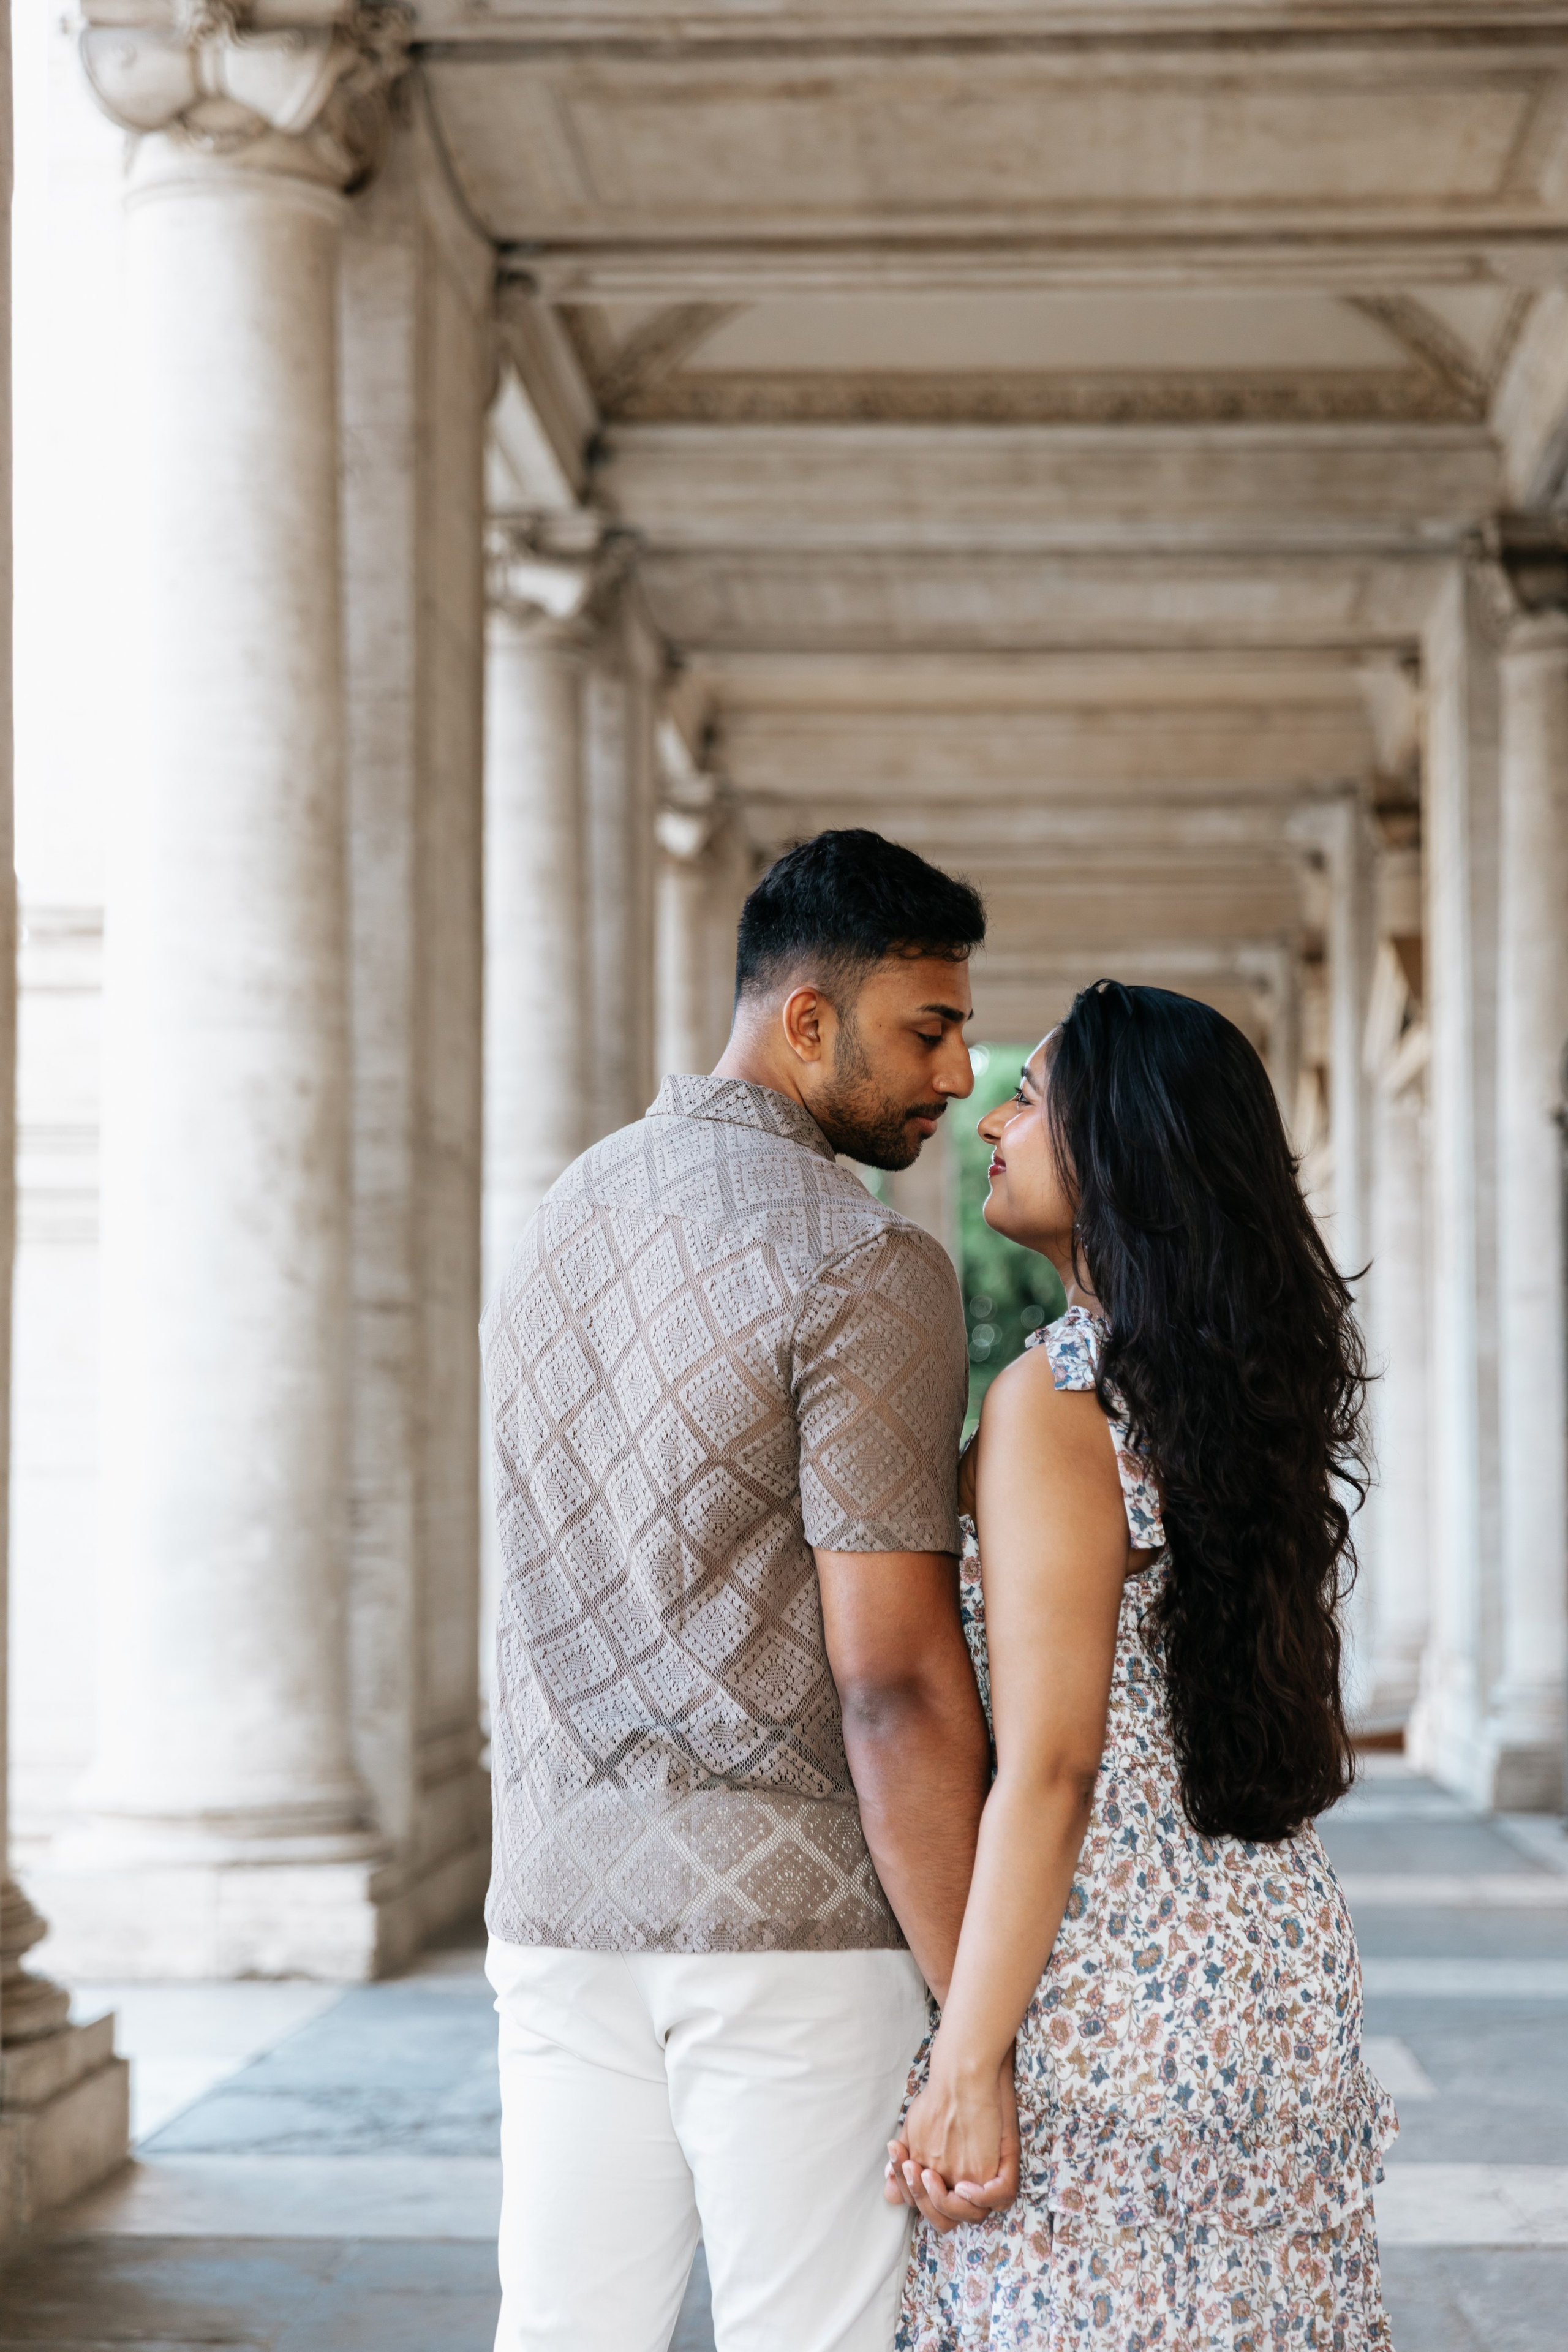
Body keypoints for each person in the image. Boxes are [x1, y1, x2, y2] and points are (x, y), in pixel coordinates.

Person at [480, 829, 1006, 2352]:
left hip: (559, 1904)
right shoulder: (865, 1261)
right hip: (793, 1933)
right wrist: (981, 2004)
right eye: (930, 1027)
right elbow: (892, 1685)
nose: (960, 1073)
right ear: (807, 1020)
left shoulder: (557, 1221)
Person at [888, 981, 1397, 2351]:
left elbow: (1051, 1768)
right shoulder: (1246, 1389)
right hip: (1271, 1959)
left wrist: (965, 2057)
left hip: (1112, 1987)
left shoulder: (1056, 1399)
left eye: (1030, 1098)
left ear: (1118, 1145)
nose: (990, 1116)